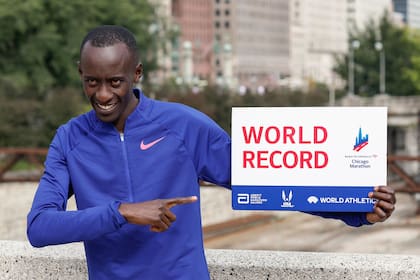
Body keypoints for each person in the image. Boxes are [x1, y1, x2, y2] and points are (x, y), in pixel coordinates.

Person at [27, 25, 396, 279]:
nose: (103, 95)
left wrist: (357, 207)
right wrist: (122, 212)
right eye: (92, 82)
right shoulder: (69, 139)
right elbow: (40, 227)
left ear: (136, 73)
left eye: (115, 82)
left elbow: (264, 180)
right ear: (80, 73)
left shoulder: (185, 126)